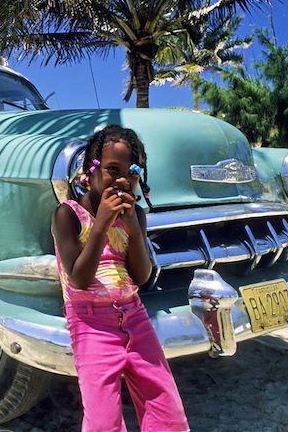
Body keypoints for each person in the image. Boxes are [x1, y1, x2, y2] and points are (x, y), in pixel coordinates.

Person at [52, 125, 189, 432]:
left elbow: (142, 277)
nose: (123, 180)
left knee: (167, 411)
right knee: (104, 422)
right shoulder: (68, 215)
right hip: (90, 323)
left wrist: (134, 230)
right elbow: (79, 279)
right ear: (92, 170)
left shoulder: (135, 215)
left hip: (134, 317)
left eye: (132, 171)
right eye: (112, 170)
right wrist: (101, 224)